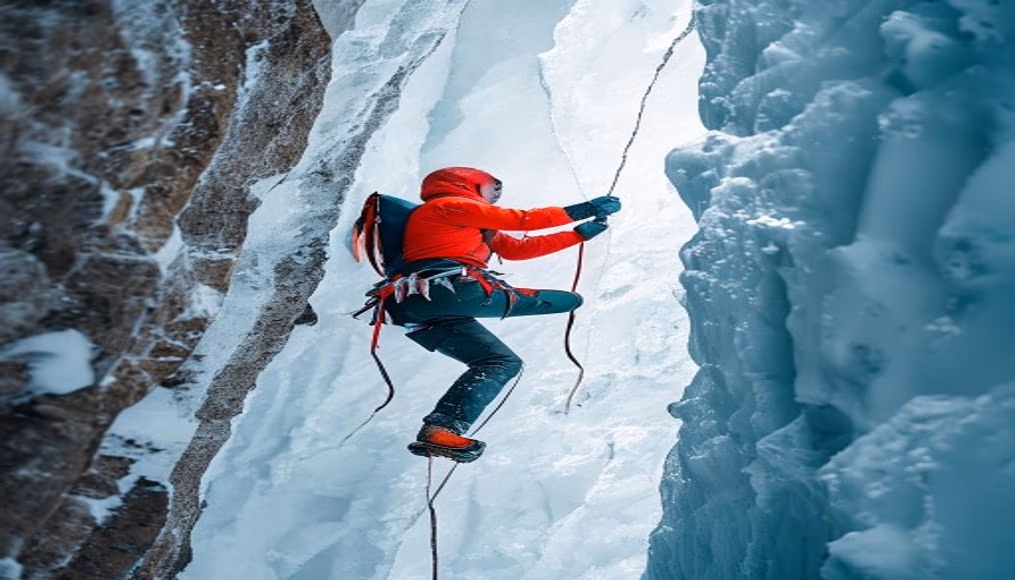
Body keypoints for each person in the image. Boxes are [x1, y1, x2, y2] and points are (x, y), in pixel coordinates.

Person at [381, 166, 621, 462]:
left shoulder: (470, 223)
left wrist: (577, 235)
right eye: (492, 188)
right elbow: (523, 221)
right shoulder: (447, 205)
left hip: (414, 305)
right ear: (467, 184)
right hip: (450, 289)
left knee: (500, 362)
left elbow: (518, 249)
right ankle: (570, 300)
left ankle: (441, 430)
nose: (495, 195)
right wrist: (583, 210)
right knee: (569, 301)